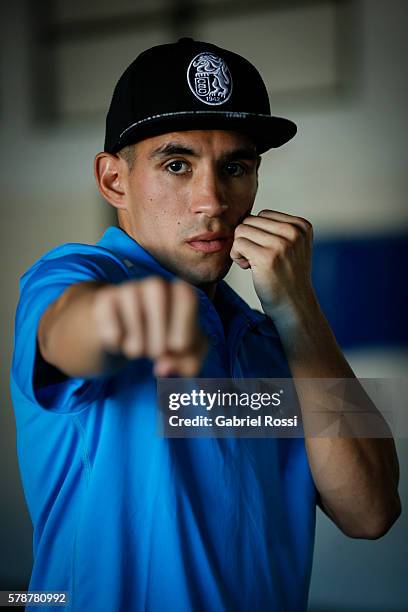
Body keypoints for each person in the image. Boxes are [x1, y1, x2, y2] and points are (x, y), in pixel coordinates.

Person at [11, 37, 400, 612]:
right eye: (176, 164)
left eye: (236, 167)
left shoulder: (276, 344)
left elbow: (371, 513)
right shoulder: (81, 274)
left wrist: (297, 308)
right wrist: (120, 320)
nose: (212, 200)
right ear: (114, 180)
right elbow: (65, 331)